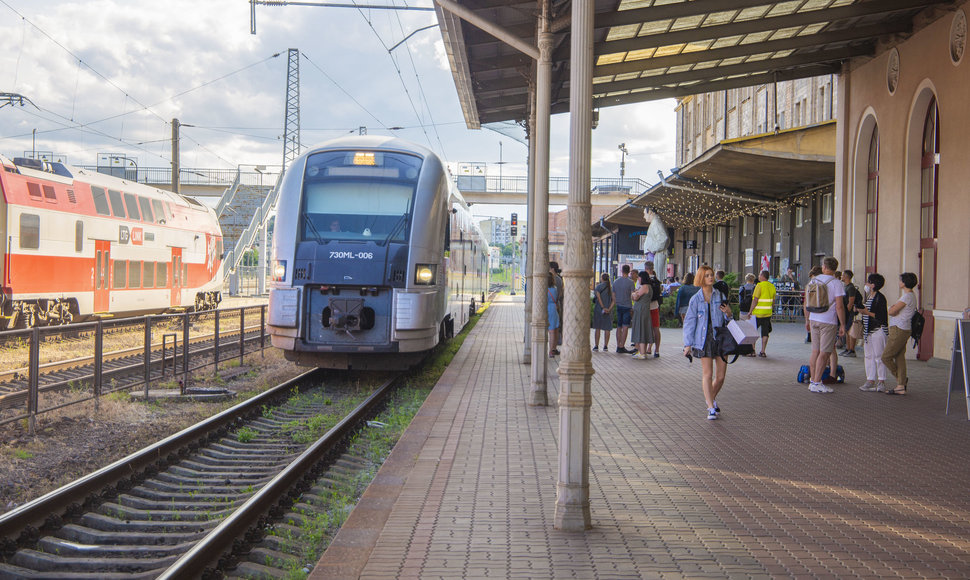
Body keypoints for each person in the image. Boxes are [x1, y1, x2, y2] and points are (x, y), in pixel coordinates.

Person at [682, 265, 734, 420]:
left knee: (721, 376)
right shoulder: (696, 299)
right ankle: (711, 406)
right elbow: (690, 322)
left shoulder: (720, 295)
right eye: (707, 275)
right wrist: (687, 344)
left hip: (720, 337)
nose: (710, 278)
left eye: (711, 275)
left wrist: (729, 313)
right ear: (701, 278)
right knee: (707, 373)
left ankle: (709, 398)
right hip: (703, 338)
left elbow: (729, 319)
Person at [804, 257, 846, 394]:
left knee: (815, 351)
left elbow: (806, 304)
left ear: (824, 267)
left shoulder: (813, 280)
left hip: (814, 318)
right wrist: (843, 324)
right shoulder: (836, 283)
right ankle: (817, 382)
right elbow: (839, 306)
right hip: (828, 321)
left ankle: (812, 380)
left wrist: (807, 320)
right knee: (825, 352)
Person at [881, 272, 918, 396]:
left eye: (900, 280)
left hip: (898, 329)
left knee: (886, 356)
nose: (899, 282)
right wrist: (894, 309)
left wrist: (892, 308)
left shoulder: (907, 297)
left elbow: (892, 311)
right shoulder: (911, 296)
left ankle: (900, 380)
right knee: (899, 357)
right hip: (904, 328)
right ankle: (900, 386)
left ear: (904, 282)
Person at [855, 273, 889, 392]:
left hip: (877, 330)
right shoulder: (870, 296)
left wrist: (866, 312)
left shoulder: (880, 298)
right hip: (868, 331)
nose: (866, 284)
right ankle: (870, 379)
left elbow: (881, 316)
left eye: (868, 282)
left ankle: (881, 380)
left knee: (879, 355)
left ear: (873, 285)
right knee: (869, 355)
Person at [748, 269, 776, 358]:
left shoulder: (759, 286)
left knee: (753, 332)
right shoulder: (772, 286)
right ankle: (763, 351)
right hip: (767, 313)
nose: (758, 276)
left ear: (763, 276)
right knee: (765, 333)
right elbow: (773, 301)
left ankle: (752, 351)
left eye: (760, 275)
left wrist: (750, 311)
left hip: (758, 313)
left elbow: (755, 300)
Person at [630, 271, 655, 360]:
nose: (638, 279)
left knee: (641, 329)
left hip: (641, 311)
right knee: (643, 329)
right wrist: (635, 293)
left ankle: (642, 353)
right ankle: (641, 351)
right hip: (644, 310)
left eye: (639, 278)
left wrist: (633, 293)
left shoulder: (644, 287)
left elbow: (635, 297)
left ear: (642, 278)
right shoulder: (649, 287)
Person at [612, 265, 635, 354]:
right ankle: (622, 345)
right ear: (629, 271)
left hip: (619, 306)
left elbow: (613, 294)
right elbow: (632, 295)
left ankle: (618, 345)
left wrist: (616, 302)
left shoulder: (616, 282)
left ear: (621, 271)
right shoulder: (631, 282)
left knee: (619, 326)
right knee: (625, 326)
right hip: (627, 306)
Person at [591, 273, 615, 352]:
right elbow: (614, 300)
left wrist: (603, 307)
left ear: (602, 278)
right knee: (607, 328)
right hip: (608, 311)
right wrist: (608, 309)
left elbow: (598, 297)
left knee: (598, 328)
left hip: (599, 310)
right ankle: (605, 346)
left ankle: (596, 345)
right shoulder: (611, 288)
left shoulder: (598, 287)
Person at [644, 261, 662, 357]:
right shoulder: (657, 280)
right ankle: (657, 350)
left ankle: (646, 348)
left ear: (646, 268)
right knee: (656, 329)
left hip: (646, 307)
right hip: (655, 306)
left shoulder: (644, 280)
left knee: (646, 329)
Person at [840, 270, 860, 357]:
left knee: (850, 331)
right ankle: (848, 348)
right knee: (847, 331)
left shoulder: (851, 288)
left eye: (842, 275)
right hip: (846, 312)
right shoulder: (846, 286)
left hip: (849, 313)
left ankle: (852, 349)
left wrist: (847, 312)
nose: (841, 276)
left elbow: (851, 301)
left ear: (846, 276)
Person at [549, 261, 564, 346]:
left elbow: (558, 293)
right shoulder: (559, 279)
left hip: (554, 304)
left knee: (553, 327)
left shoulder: (555, 279)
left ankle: (554, 344)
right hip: (556, 304)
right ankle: (555, 344)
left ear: (552, 269)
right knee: (556, 325)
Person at [547, 272, 560, 357]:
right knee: (554, 331)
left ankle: (550, 351)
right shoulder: (554, 289)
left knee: (551, 331)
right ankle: (552, 349)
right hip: (553, 308)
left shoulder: (544, 289)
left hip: (546, 308)